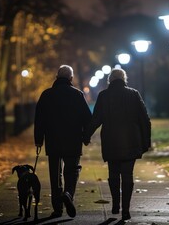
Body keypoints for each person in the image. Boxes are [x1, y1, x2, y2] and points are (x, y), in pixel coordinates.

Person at [83, 68, 151, 221]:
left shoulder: (104, 96)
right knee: (128, 175)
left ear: (110, 80)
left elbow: (96, 119)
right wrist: (145, 143)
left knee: (113, 174)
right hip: (131, 141)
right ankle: (126, 210)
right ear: (124, 79)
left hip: (111, 141)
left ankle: (115, 204)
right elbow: (144, 120)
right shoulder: (134, 94)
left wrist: (86, 136)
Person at [34, 65, 92, 218]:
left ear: (56, 77)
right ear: (71, 79)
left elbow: (39, 119)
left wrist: (39, 140)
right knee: (72, 170)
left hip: (53, 140)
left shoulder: (47, 95)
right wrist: (86, 137)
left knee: (55, 173)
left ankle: (57, 208)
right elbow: (88, 118)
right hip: (73, 140)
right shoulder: (78, 95)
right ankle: (68, 194)